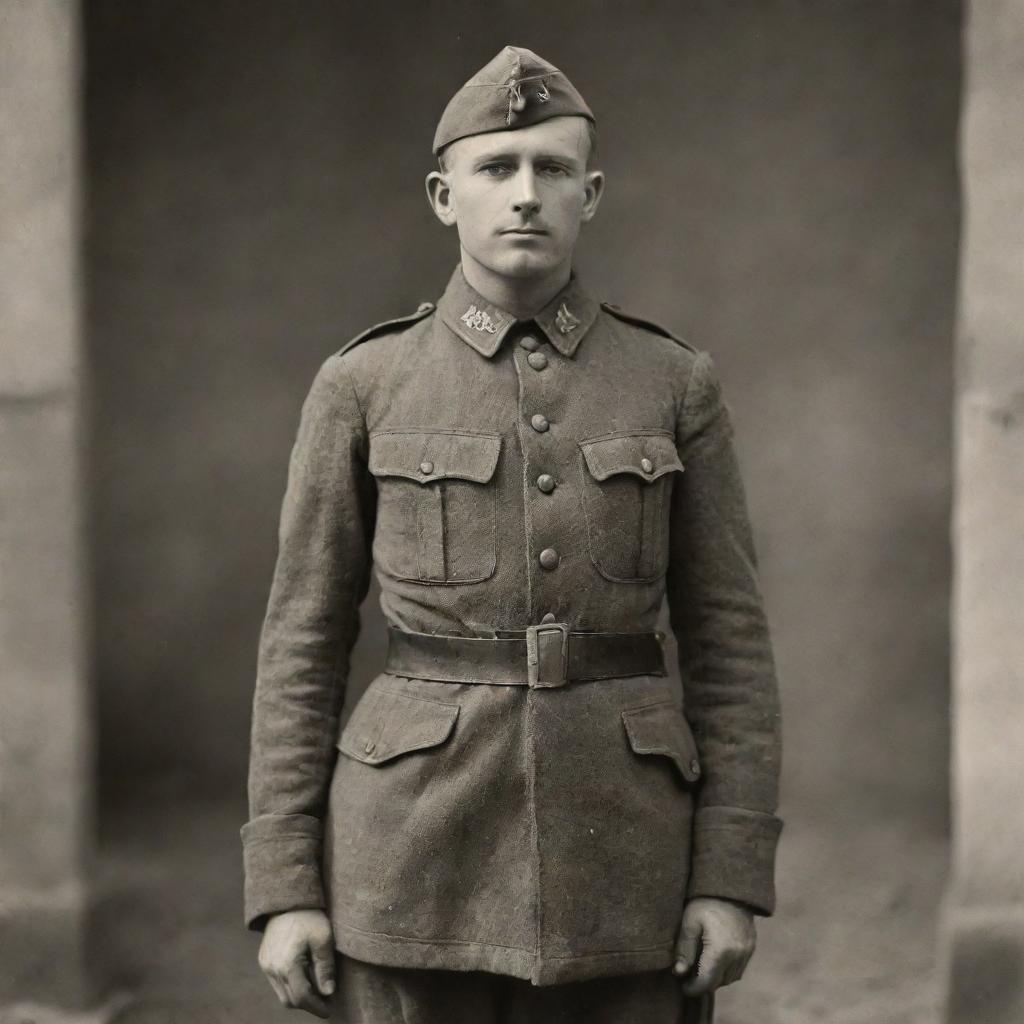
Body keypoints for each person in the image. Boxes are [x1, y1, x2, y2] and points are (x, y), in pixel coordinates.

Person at [241, 45, 783, 1023]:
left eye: (553, 168)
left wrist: (728, 875)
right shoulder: (363, 384)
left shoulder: (670, 381)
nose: (525, 194)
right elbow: (301, 640)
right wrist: (284, 884)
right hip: (409, 856)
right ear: (445, 195)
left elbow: (729, 641)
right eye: (498, 169)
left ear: (593, 193)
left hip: (626, 862)